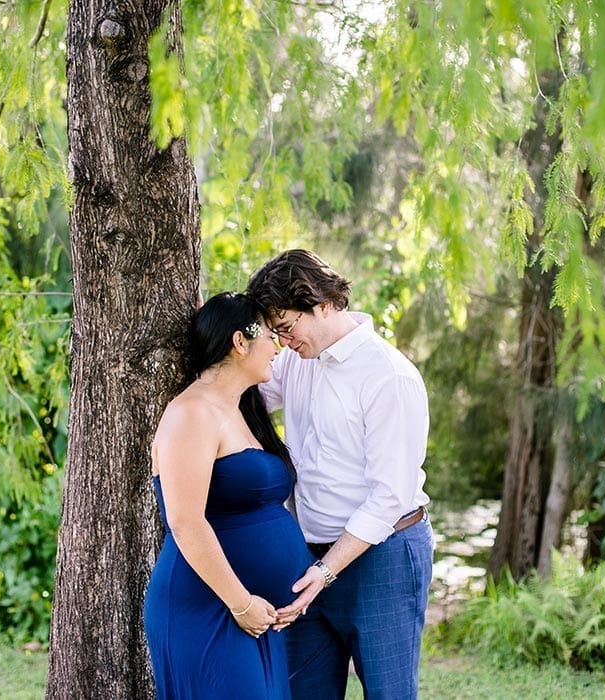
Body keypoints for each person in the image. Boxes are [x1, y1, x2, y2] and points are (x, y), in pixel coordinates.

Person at [246, 249, 434, 700]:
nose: (283, 341)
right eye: (276, 332)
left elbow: (388, 498)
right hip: (305, 555)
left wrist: (326, 571)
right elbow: (246, 389)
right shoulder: (296, 360)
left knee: (388, 694)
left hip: (383, 557)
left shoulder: (389, 377)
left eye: (287, 327)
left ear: (324, 303)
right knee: (301, 692)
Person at [143, 292, 320, 700]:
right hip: (211, 606)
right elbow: (185, 521)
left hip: (255, 614)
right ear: (240, 342)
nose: (278, 348)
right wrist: (241, 604)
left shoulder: (241, 410)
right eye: (270, 338)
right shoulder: (192, 413)